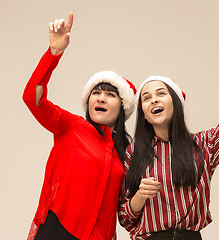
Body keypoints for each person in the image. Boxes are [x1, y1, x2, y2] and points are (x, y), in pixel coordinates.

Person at [23, 12, 137, 240]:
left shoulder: (127, 153)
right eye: (96, 93)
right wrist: (53, 54)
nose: (101, 98)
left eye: (110, 95)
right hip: (58, 230)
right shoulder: (72, 126)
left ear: (123, 106)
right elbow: (33, 99)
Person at [118, 70, 219, 239]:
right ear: (145, 116)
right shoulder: (133, 153)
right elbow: (124, 217)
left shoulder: (203, 144)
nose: (154, 99)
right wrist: (140, 196)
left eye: (161, 93)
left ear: (176, 104)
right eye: (146, 98)